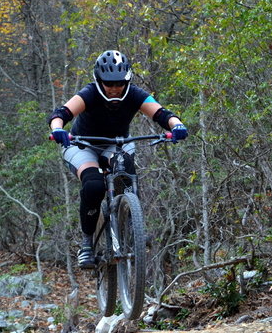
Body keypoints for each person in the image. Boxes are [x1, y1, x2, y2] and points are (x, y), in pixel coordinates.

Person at [48, 50, 188, 268]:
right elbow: (61, 113)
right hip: (83, 144)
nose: (114, 89)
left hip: (116, 144)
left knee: (125, 169)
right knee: (94, 186)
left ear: (128, 80)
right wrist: (58, 130)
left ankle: (132, 225)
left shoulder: (134, 94)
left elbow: (162, 114)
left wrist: (176, 125)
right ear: (99, 80)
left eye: (119, 84)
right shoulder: (90, 93)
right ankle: (87, 243)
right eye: (108, 84)